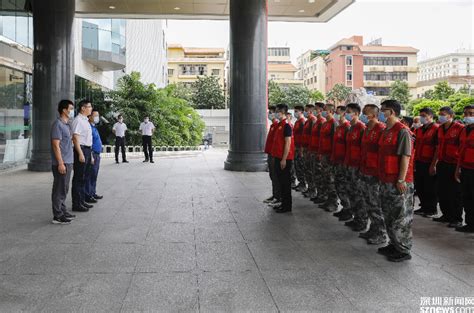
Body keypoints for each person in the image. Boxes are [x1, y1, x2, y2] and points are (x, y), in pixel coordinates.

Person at [376, 100, 415, 262]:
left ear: (391, 112)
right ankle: (394, 243)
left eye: (382, 110)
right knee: (388, 213)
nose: (380, 113)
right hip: (386, 178)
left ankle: (403, 249)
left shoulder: (403, 131)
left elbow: (405, 157)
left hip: (398, 181)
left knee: (401, 216)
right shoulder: (386, 130)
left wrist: (401, 179)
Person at [358, 104, 387, 245]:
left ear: (374, 115)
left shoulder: (381, 129)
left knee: (375, 203)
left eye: (365, 113)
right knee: (367, 201)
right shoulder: (366, 129)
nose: (363, 115)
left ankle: (381, 233)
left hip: (374, 172)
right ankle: (373, 229)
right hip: (365, 169)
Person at [433, 106, 464, 228]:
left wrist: (459, 166)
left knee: (455, 193)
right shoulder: (440, 129)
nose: (441, 116)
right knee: (442, 191)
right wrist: (434, 163)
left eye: (443, 114)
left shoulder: (460, 128)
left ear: (451, 116)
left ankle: (457, 218)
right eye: (440, 114)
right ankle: (446, 215)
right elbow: (437, 147)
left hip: (454, 164)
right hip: (442, 163)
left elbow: (462, 148)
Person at [50, 99, 76, 224]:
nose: (72, 111)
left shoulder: (68, 124)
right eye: (70, 108)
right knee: (59, 189)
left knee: (64, 188)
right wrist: (60, 163)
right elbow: (55, 145)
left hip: (68, 160)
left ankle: (63, 210)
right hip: (61, 162)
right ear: (64, 110)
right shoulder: (57, 124)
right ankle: (57, 215)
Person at [343, 102, 367, 231]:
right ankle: (355, 217)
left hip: (357, 166)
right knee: (351, 192)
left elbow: (364, 150)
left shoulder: (361, 128)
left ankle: (362, 220)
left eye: (348, 112)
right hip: (349, 164)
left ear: (356, 114)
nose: (346, 114)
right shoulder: (350, 128)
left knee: (358, 194)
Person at [413, 108, 439, 217]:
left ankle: (431, 209)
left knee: (430, 187)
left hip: (429, 162)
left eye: (424, 116)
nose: (422, 118)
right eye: (421, 115)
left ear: (430, 116)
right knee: (420, 186)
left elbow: (438, 148)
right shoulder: (419, 130)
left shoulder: (436, 129)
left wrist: (434, 164)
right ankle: (423, 206)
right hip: (419, 161)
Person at [270, 103, 295, 213]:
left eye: (277, 111)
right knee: (280, 182)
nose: (275, 113)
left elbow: (288, 143)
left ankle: (287, 206)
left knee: (285, 183)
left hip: (284, 158)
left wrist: (284, 159)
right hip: (278, 156)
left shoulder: (286, 125)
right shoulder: (280, 124)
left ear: (282, 112)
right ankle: (283, 204)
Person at [71, 99, 93, 212]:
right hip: (81, 150)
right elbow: (75, 138)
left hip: (87, 150)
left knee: (85, 177)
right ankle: (76, 204)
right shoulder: (78, 120)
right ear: (83, 108)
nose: (91, 108)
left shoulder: (86, 120)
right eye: (89, 107)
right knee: (79, 178)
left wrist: (91, 155)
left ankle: (82, 200)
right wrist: (80, 153)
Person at [455, 105, 474, 233]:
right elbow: (460, 151)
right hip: (465, 168)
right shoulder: (464, 130)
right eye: (466, 113)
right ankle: (470, 224)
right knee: (466, 197)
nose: (468, 116)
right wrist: (458, 168)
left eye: (471, 113)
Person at [330, 106, 350, 214]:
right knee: (338, 185)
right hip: (336, 160)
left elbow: (348, 147)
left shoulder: (347, 127)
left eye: (337, 113)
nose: (336, 114)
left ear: (344, 113)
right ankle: (344, 208)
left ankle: (348, 209)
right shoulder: (338, 127)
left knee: (343, 186)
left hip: (343, 162)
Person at [318, 103, 338, 211]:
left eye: (325, 110)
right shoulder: (325, 123)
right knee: (325, 178)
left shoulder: (333, 123)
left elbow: (334, 141)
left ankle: (333, 203)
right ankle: (327, 200)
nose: (323, 112)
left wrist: (332, 156)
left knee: (331, 180)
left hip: (329, 156)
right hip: (324, 155)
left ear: (330, 111)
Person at [84, 109, 104, 203]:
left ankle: (92, 192)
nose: (97, 118)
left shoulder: (94, 127)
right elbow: (89, 143)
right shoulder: (89, 127)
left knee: (94, 175)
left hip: (97, 154)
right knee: (90, 175)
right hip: (93, 154)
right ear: (90, 116)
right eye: (96, 116)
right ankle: (88, 195)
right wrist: (91, 155)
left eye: (98, 116)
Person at [308, 102, 326, 204]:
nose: (314, 110)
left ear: (320, 110)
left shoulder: (322, 122)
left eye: (316, 109)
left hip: (320, 153)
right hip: (314, 151)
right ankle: (320, 194)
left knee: (320, 175)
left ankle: (324, 196)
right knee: (316, 174)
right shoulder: (317, 122)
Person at [263, 106, 281, 208]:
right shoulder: (273, 125)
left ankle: (278, 197)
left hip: (274, 154)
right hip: (270, 153)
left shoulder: (278, 126)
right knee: (272, 176)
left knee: (276, 176)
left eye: (271, 112)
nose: (269, 114)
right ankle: (275, 195)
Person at [302, 104, 316, 198]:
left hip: (311, 150)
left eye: (306, 110)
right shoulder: (307, 121)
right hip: (307, 149)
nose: (305, 112)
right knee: (307, 170)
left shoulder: (313, 121)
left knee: (311, 171)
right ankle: (310, 189)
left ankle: (313, 191)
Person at [293, 106, 306, 191]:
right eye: (295, 111)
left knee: (301, 166)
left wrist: (301, 149)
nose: (295, 113)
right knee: (297, 166)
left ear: (301, 112)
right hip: (296, 147)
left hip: (300, 148)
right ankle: (300, 183)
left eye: (296, 111)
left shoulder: (302, 122)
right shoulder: (297, 122)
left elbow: (303, 137)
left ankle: (303, 184)